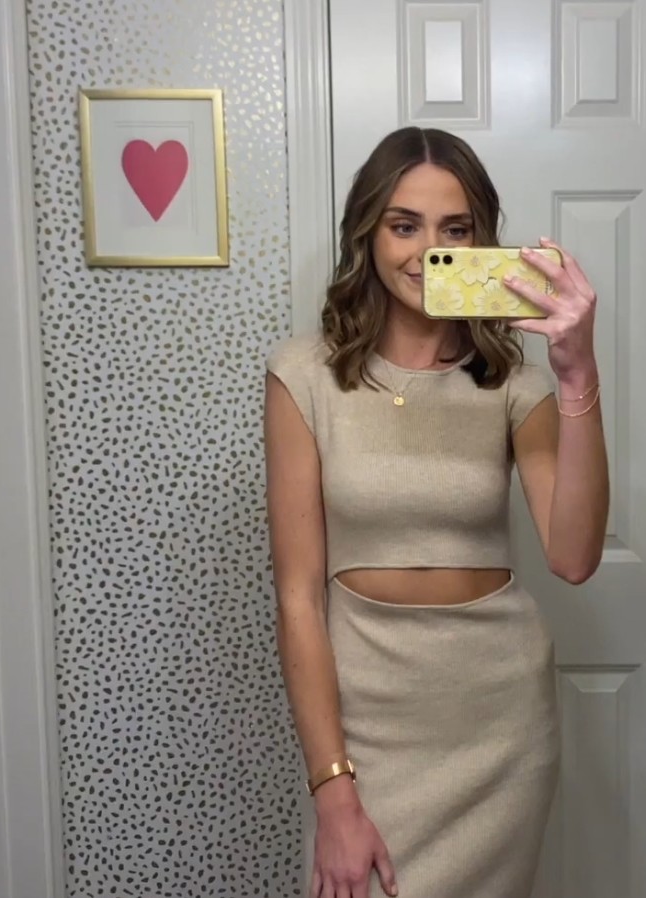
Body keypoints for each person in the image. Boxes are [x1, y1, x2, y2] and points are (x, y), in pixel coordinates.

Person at [264, 127, 609, 898]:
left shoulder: (513, 385)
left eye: (454, 229)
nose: (427, 250)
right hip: (367, 723)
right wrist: (332, 789)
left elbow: (573, 557)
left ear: (480, 239)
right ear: (367, 234)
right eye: (403, 225)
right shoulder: (303, 375)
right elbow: (297, 598)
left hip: (498, 723)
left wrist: (577, 371)